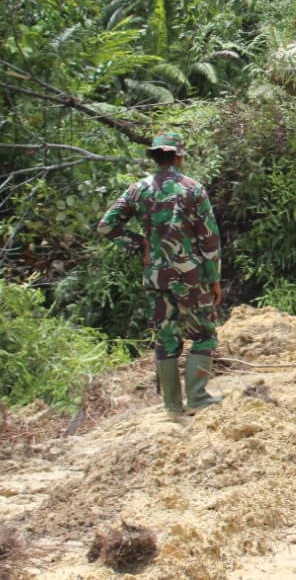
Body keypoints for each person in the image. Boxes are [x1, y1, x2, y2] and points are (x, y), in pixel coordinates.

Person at [98, 132, 222, 420]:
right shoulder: (193, 189)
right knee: (203, 334)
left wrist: (138, 244)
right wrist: (214, 278)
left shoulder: (138, 189)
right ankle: (198, 399)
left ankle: (172, 407)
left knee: (166, 338)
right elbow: (210, 239)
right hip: (190, 277)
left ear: (155, 157)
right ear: (179, 156)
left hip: (155, 277)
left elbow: (106, 226)